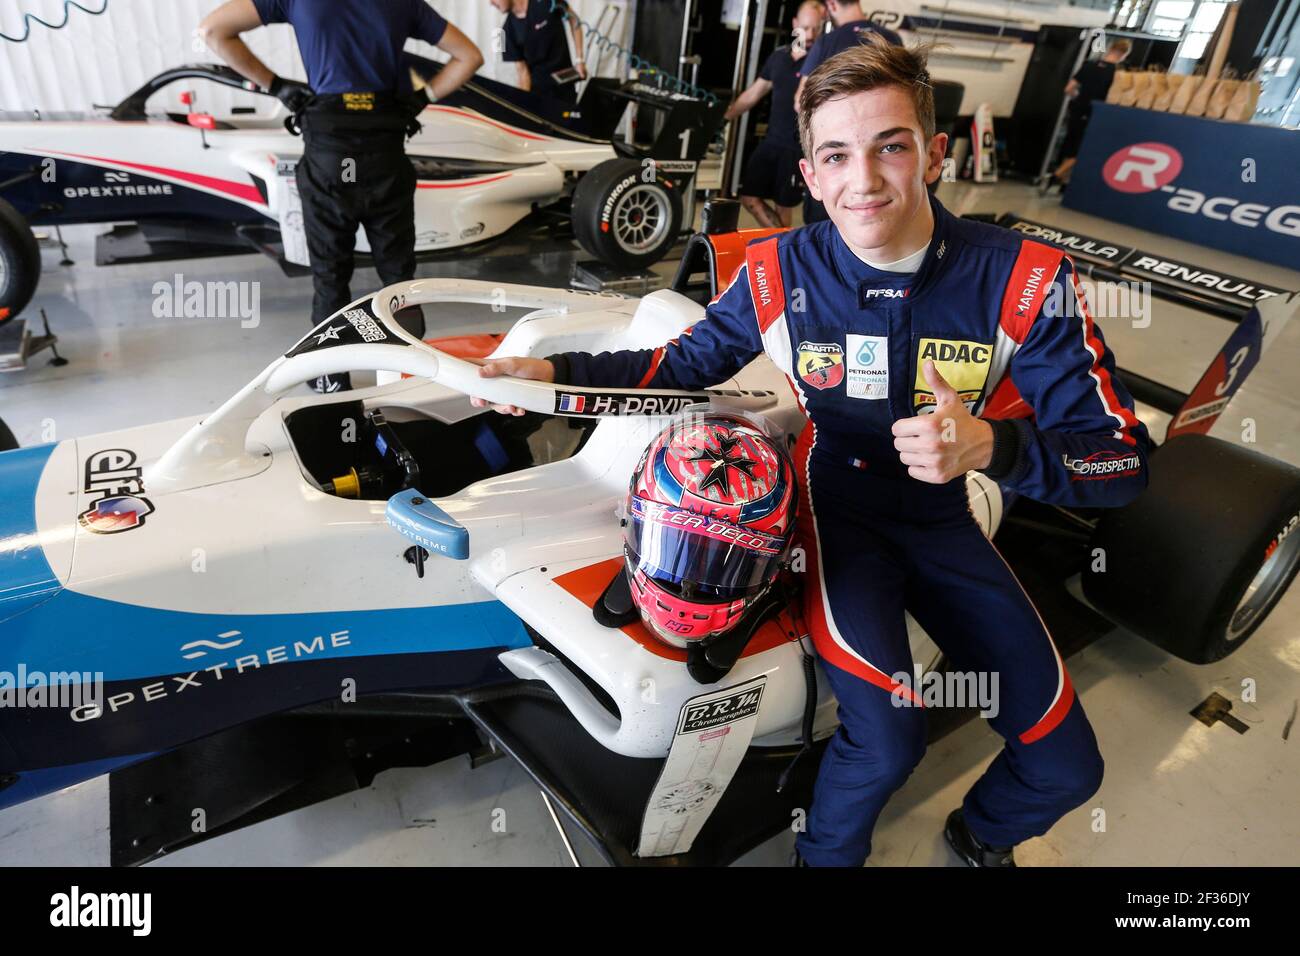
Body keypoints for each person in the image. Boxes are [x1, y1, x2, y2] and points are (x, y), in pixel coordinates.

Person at [471, 37, 1152, 867]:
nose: (864, 181)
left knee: (1066, 766)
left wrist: (996, 445)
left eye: (890, 146)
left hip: (945, 523)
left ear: (935, 154)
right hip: (836, 521)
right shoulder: (774, 271)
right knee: (888, 745)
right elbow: (674, 368)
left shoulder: (1027, 278)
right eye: (837, 155)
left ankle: (978, 839)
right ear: (811, 174)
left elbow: (1121, 464)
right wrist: (548, 375)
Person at [200, 0, 483, 393]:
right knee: (398, 277)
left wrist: (279, 87)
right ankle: (411, 378)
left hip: (329, 156)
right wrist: (421, 97)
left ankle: (331, 382)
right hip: (384, 153)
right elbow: (469, 56)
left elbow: (213, 31)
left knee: (330, 278)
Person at [795, 0, 902, 224]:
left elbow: (800, 101)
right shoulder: (891, 39)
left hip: (837, 151)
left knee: (824, 223)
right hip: (882, 152)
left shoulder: (827, 42)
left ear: (832, 4)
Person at [725, 1, 826, 228]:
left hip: (795, 147)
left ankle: (783, 255)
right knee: (749, 197)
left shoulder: (820, 64)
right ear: (795, 24)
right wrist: (724, 117)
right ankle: (783, 244)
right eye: (806, 27)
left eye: (815, 29)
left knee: (784, 208)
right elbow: (753, 94)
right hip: (771, 142)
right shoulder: (778, 57)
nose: (810, 35)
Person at [1050, 38, 1131, 187]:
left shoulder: (1089, 65)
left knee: (1070, 144)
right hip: (1095, 112)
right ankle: (1057, 175)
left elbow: (1069, 89)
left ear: (1110, 48)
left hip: (1077, 109)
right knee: (1083, 147)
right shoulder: (1118, 74)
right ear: (1124, 54)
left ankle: (1064, 181)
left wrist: (1079, 97)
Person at [490, 0, 586, 104]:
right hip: (539, 95)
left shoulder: (547, 2)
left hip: (565, 85)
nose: (491, 3)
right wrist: (523, 104)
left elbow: (574, 20)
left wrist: (579, 60)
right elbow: (523, 73)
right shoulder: (507, 31)